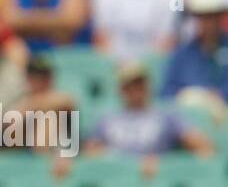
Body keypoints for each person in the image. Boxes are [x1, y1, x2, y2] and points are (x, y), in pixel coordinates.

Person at [85, 61, 214, 163]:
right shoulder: (107, 118)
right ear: (121, 89)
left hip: (156, 177)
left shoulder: (166, 115)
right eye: (129, 86)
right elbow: (90, 153)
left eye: (139, 84)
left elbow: (201, 145)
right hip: (117, 178)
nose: (135, 90)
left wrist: (167, 166)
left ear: (147, 86)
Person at [161, 0, 228, 107]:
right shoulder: (182, 54)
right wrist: (185, 96)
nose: (208, 23)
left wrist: (219, 96)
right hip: (187, 119)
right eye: (202, 17)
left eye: (212, 16)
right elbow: (165, 93)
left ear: (219, 18)